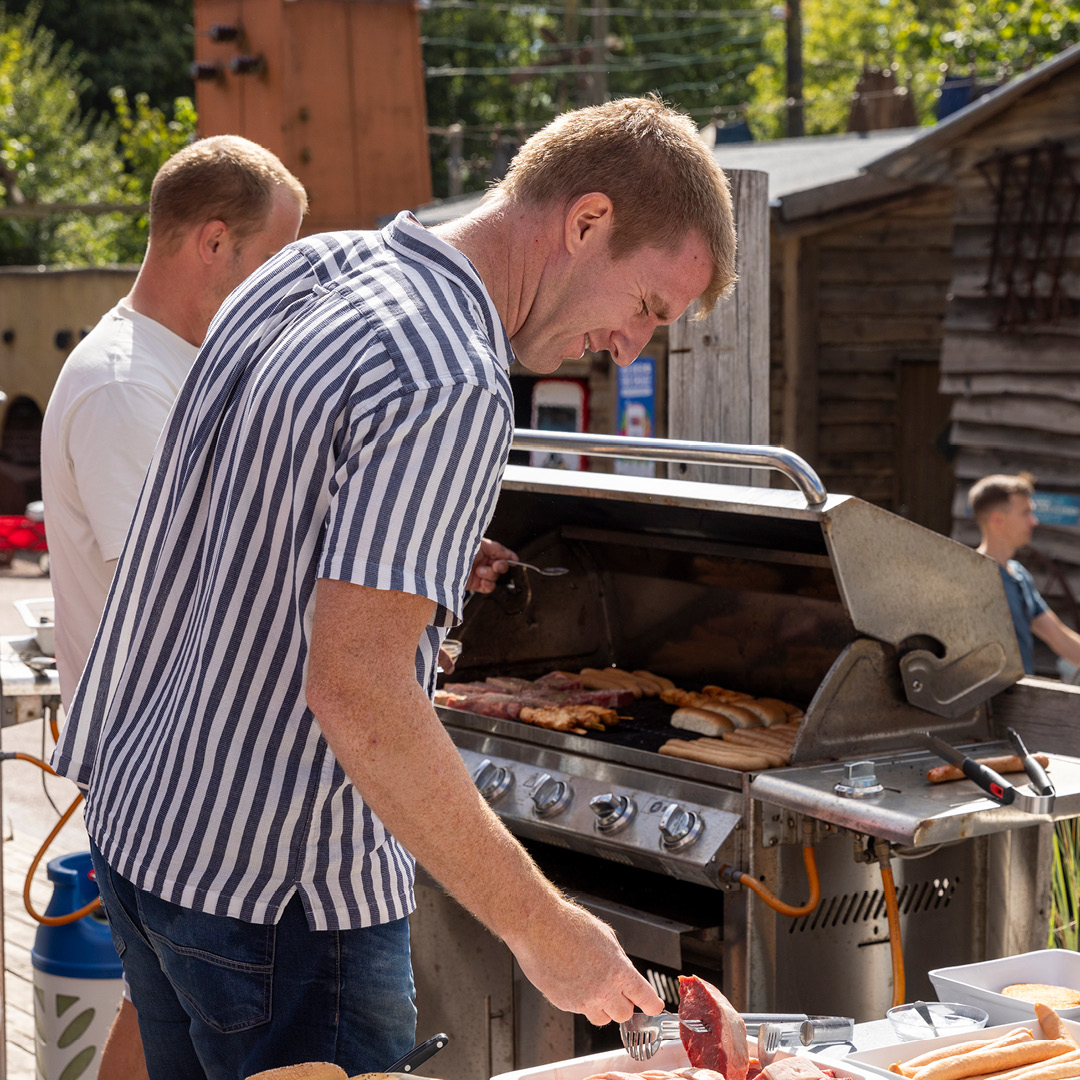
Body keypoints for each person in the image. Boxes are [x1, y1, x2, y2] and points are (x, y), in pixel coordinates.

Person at [50, 94, 738, 1080]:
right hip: (280, 899)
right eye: (646, 308)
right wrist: (544, 930)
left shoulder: (314, 266)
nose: (631, 347)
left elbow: (239, 530)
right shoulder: (454, 374)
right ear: (587, 222)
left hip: (146, 835)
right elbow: (358, 691)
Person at [40, 135, 309, 1080]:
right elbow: (186, 586)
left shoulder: (175, 365)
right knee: (190, 1020)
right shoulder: (126, 386)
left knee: (160, 1018)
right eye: (277, 258)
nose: (287, 290)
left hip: (172, 758)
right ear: (212, 242)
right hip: (165, 761)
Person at [969, 473, 1080, 676]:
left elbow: (1059, 638)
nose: (1033, 521)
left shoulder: (1019, 576)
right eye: (1025, 513)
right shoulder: (970, 576)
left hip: (1019, 699)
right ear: (997, 520)